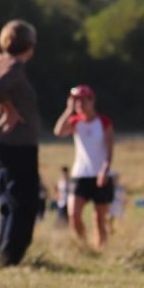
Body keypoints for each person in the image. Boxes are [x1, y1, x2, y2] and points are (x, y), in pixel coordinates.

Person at [0, 19, 41, 266]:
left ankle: (4, 253)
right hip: (17, 144)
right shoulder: (13, 66)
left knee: (8, 200)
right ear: (29, 44)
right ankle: (11, 257)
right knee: (24, 202)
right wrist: (10, 111)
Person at [54, 84, 114, 249]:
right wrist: (68, 110)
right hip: (80, 173)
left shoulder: (103, 122)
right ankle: (83, 246)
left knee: (99, 218)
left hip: (100, 174)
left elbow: (109, 149)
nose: (79, 104)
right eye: (75, 101)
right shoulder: (75, 122)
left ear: (91, 101)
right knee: (74, 214)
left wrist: (105, 169)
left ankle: (101, 248)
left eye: (82, 100)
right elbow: (58, 132)